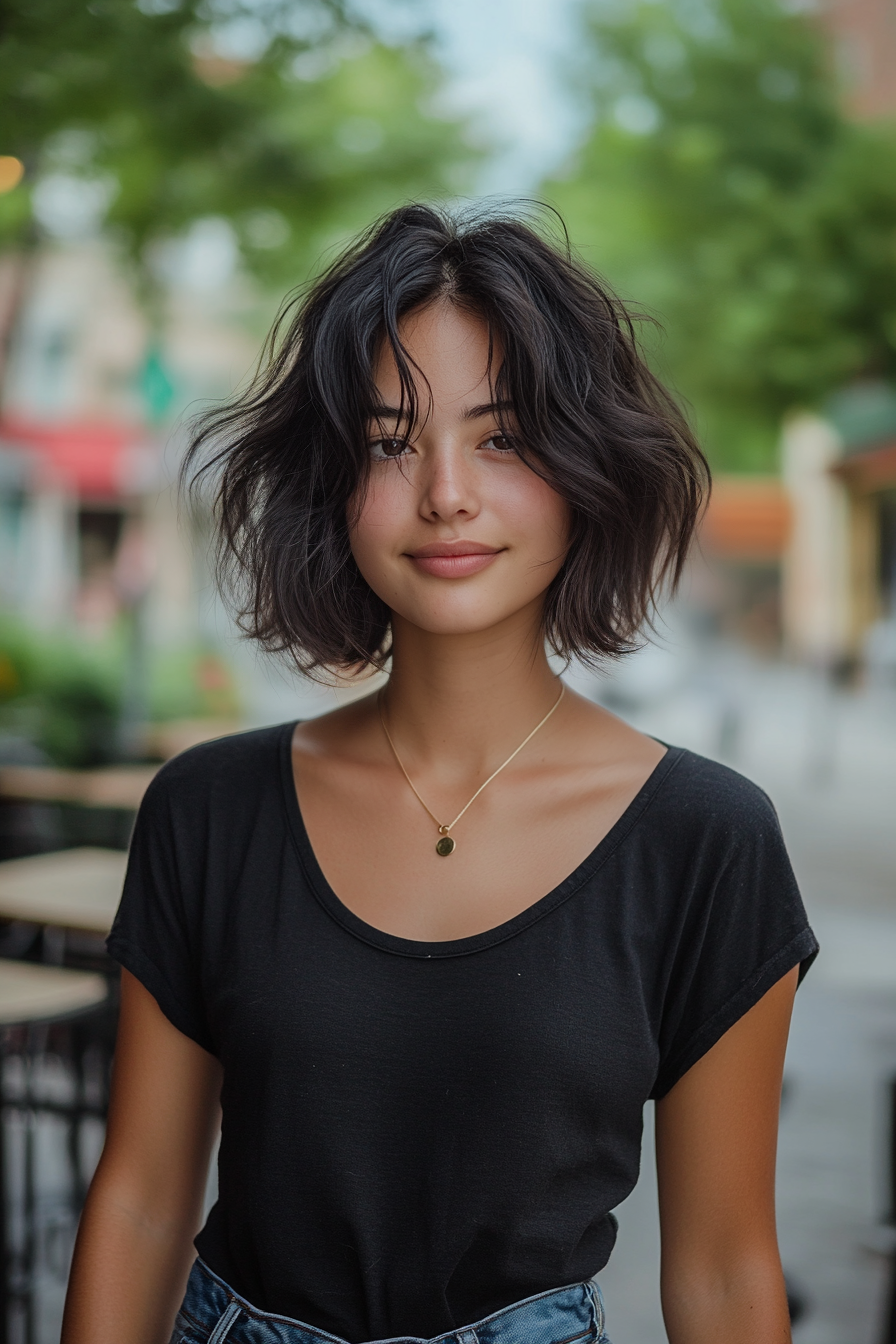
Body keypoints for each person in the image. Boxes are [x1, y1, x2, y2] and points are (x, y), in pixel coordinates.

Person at [62, 204, 817, 1344]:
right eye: (386, 441)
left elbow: (719, 1272)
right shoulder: (208, 810)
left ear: (582, 468)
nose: (445, 493)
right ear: (330, 484)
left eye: (502, 436)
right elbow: (140, 1203)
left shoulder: (704, 839)